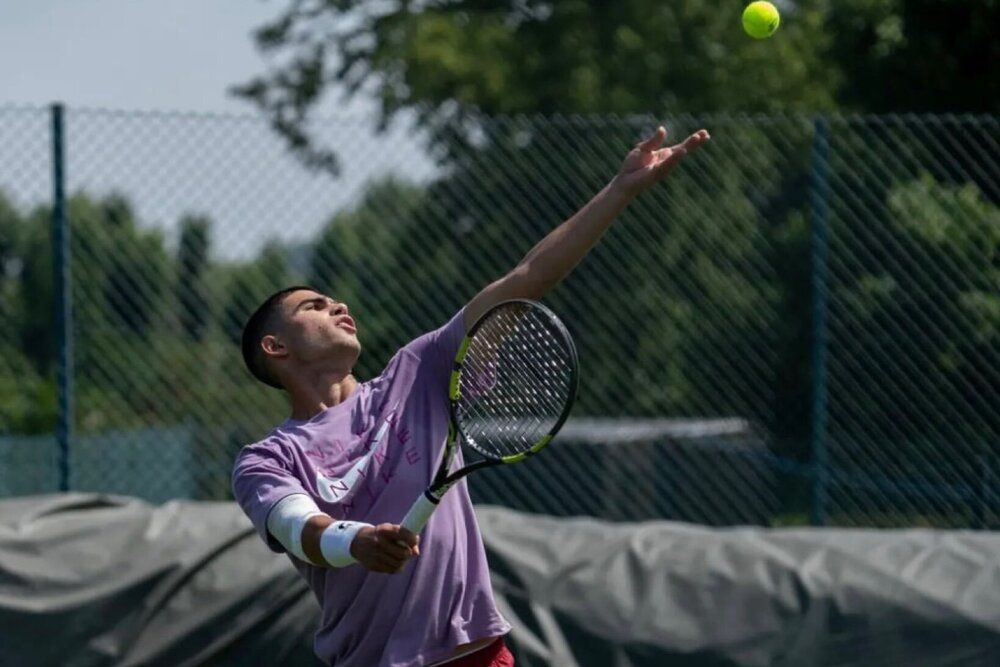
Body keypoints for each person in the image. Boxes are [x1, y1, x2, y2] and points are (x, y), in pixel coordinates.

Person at [231, 126, 710, 667]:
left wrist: (620, 189)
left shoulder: (420, 369)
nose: (337, 305)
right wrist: (357, 541)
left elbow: (526, 277)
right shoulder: (267, 459)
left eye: (334, 300)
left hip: (479, 655)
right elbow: (296, 526)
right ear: (275, 347)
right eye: (313, 307)